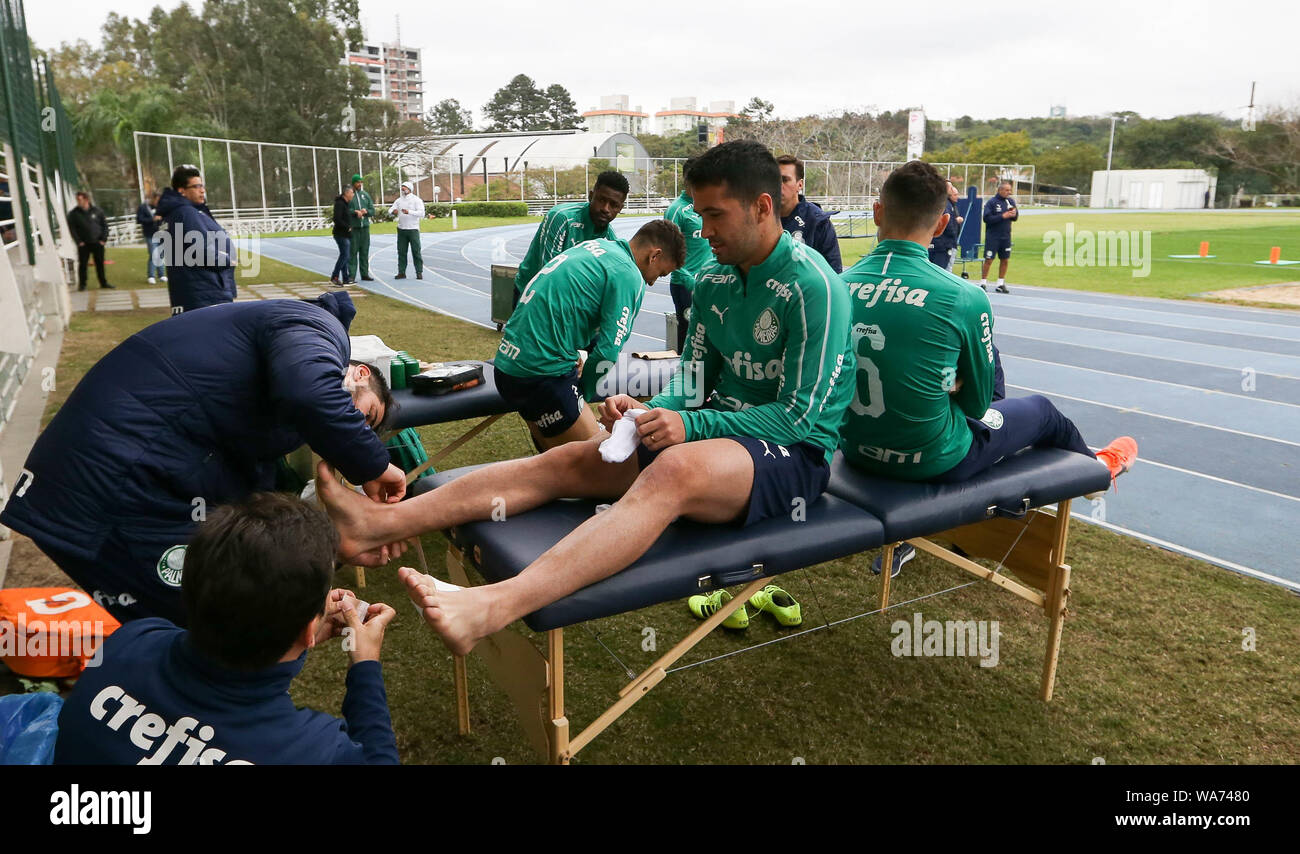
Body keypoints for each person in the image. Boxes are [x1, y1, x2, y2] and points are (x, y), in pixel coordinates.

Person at [317, 140, 854, 658]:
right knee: (573, 457)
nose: (703, 229)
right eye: (697, 213)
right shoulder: (712, 280)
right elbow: (693, 377)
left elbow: (799, 416)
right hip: (723, 440)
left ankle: (491, 607)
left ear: (763, 207)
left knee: (676, 471)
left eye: (714, 215)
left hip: (795, 454)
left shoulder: (816, 286)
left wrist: (691, 427)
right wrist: (651, 410)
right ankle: (379, 522)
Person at [0, 292, 407, 625]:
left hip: (125, 476)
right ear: (358, 373)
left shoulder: (278, 410)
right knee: (204, 621)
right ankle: (184, 714)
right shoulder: (318, 325)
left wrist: (329, 547)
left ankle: (169, 711)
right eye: (365, 414)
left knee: (186, 618)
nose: (355, 426)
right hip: (108, 476)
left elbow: (252, 497)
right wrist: (374, 464)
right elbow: (311, 392)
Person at [839, 160, 1137, 576]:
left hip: (854, 453)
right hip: (934, 459)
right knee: (1043, 410)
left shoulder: (837, 284)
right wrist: (950, 386)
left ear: (876, 212)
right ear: (942, 224)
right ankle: (1098, 467)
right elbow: (979, 403)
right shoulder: (962, 295)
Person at [53, 493, 399, 765]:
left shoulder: (130, 641)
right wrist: (364, 666)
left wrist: (285, 634)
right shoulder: (313, 752)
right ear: (310, 628)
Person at [497, 219, 684, 450]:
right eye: (661, 273)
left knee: (554, 460)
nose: (653, 282)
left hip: (508, 364)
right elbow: (607, 352)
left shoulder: (598, 246)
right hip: (541, 372)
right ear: (654, 255)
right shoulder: (629, 274)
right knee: (596, 464)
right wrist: (581, 392)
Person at [513, 171, 629, 306]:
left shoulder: (610, 240)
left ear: (620, 208)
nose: (605, 209)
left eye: (613, 205)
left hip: (570, 303)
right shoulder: (561, 218)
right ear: (591, 196)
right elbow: (548, 273)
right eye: (602, 200)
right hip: (530, 295)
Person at [156, 166, 236, 313]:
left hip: (193, 291)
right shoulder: (186, 213)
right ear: (182, 190)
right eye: (196, 186)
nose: (202, 190)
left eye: (202, 186)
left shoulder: (174, 214)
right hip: (205, 293)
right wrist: (227, 260)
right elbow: (201, 251)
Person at [663, 168, 713, 352]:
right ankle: (684, 373)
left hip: (708, 281)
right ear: (687, 180)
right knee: (688, 333)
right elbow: (668, 250)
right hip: (685, 284)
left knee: (709, 332)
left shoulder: (707, 206)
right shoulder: (677, 210)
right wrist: (688, 279)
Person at [776, 154, 842, 273]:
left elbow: (834, 273)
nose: (778, 185)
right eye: (774, 180)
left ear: (799, 185)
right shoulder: (759, 218)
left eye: (785, 180)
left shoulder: (818, 222)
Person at [67, 191, 113, 291]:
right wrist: (79, 242)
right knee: (83, 264)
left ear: (86, 199)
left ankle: (103, 282)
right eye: (77, 200)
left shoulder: (97, 211)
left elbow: (104, 226)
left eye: (80, 199)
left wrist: (103, 240)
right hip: (84, 244)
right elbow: (72, 229)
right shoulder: (74, 214)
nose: (78, 202)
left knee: (100, 263)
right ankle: (82, 284)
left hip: (97, 242)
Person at [980, 180, 1017, 293]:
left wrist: (1014, 215)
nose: (1009, 192)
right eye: (1006, 190)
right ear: (1000, 190)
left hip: (1006, 236)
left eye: (1010, 190)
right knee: (989, 259)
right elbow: (987, 219)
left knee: (1005, 259)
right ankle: (983, 283)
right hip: (993, 236)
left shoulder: (1010, 201)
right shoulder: (992, 202)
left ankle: (1000, 283)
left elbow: (1015, 218)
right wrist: (1003, 216)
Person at [389, 181, 424, 280]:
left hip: (413, 229)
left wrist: (409, 212)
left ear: (409, 189)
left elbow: (422, 213)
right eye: (402, 187)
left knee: (416, 251)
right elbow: (390, 210)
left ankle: (419, 271)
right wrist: (393, 212)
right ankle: (401, 272)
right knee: (401, 252)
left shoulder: (416, 200)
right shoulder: (399, 200)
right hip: (402, 229)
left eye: (404, 187)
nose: (403, 189)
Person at [928, 181, 963, 271]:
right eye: (951, 188)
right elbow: (947, 223)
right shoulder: (944, 204)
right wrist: (953, 236)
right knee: (941, 271)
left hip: (939, 242)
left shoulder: (947, 203)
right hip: (943, 244)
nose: (952, 190)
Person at [348, 174, 375, 282]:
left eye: (361, 182)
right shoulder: (349, 195)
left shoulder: (365, 195)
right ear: (353, 183)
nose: (359, 184)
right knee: (353, 252)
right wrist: (355, 212)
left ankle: (364, 274)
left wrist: (366, 212)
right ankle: (351, 275)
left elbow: (372, 210)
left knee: (364, 251)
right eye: (357, 182)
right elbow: (344, 210)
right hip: (354, 228)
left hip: (365, 228)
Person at [136, 190, 166, 284]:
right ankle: (151, 276)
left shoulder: (161, 207)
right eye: (157, 200)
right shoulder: (143, 207)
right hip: (150, 234)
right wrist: (152, 219)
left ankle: (161, 275)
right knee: (153, 254)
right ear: (153, 198)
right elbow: (139, 220)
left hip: (161, 234)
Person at [330, 185, 354, 285]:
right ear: (347, 193)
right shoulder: (340, 204)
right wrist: (347, 227)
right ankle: (334, 277)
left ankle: (345, 278)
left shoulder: (345, 204)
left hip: (345, 234)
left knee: (345, 256)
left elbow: (346, 216)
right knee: (345, 256)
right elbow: (337, 218)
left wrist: (355, 213)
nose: (353, 195)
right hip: (340, 234)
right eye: (352, 193)